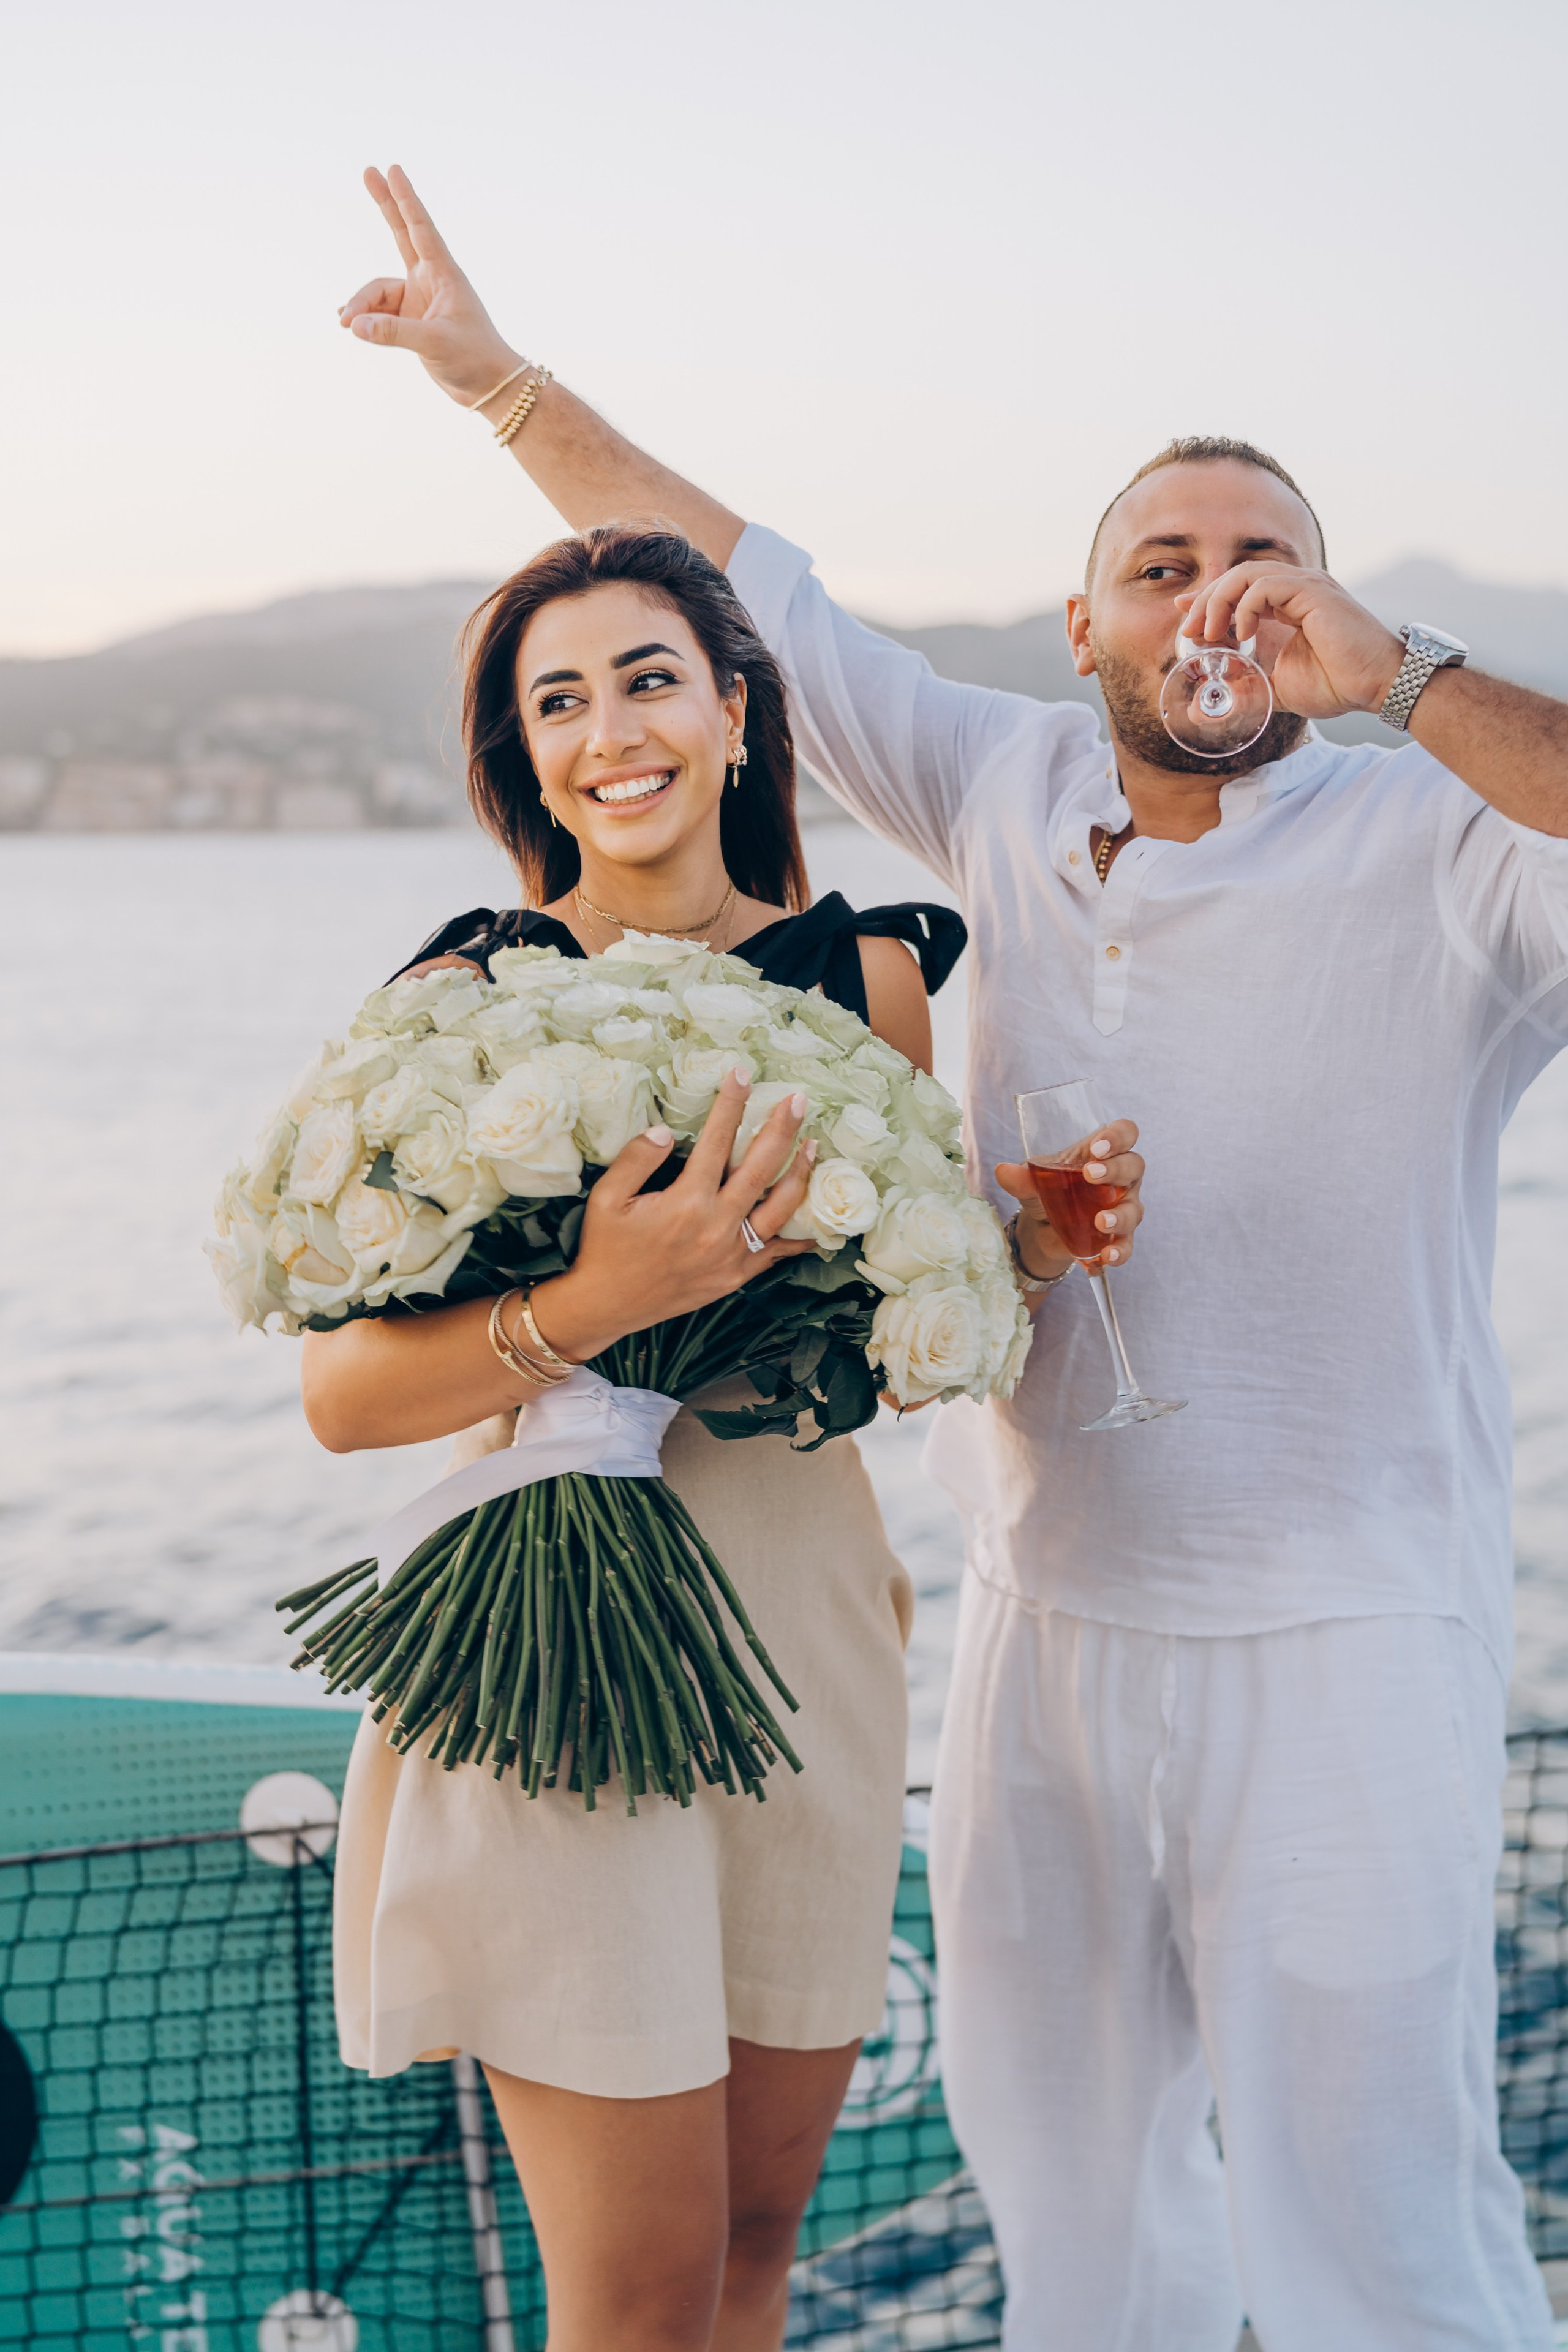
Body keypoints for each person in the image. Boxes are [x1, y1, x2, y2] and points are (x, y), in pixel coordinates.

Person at [336, 164, 1568, 2350]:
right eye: (1161, 562)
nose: (1219, 596)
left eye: (1266, 557)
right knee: (1067, 2200)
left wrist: (1417, 676)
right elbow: (738, 591)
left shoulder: (1451, 837)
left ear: (1332, 605)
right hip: (1044, 1626)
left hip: (1359, 1614)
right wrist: (493, 379)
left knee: (1374, 2210)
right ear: (1080, 627)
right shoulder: (996, 784)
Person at [302, 508, 1146, 2352]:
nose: (614, 727)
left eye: (652, 678)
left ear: (738, 715)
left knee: (760, 2247)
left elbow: (887, 1352)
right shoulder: (467, 998)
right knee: (635, 2290)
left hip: (805, 1642)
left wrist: (1020, 1253)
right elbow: (346, 1401)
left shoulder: (881, 987)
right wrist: (592, 1301)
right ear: (524, 757)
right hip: (554, 1662)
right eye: (561, 699)